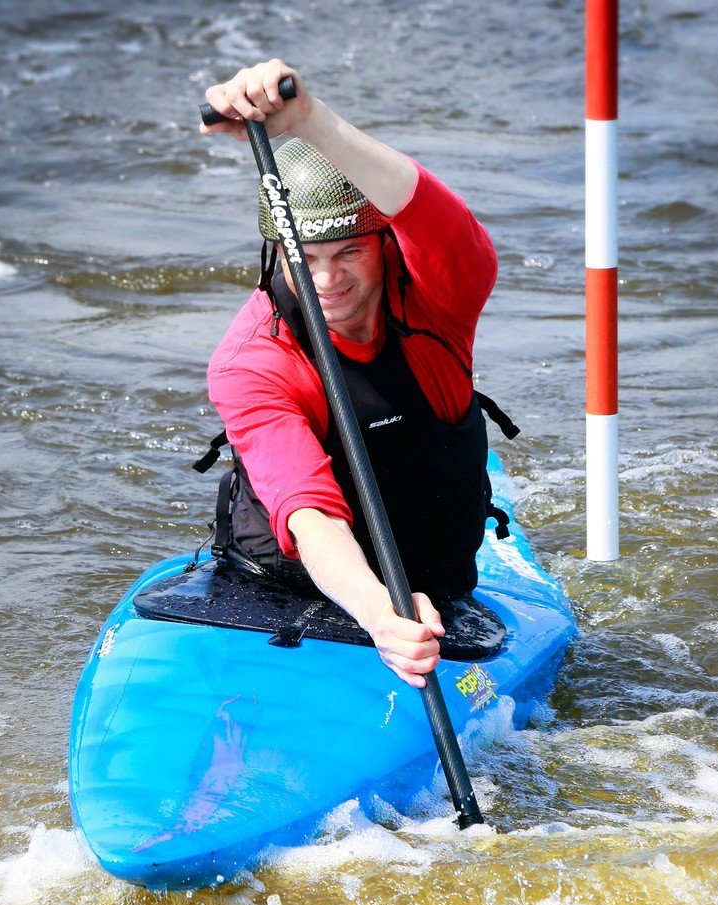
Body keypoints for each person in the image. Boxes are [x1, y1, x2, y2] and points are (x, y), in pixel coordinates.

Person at [202, 59, 509, 688]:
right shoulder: (253, 361)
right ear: (277, 254)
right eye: (306, 258)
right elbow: (307, 509)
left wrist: (309, 121)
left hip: (436, 585)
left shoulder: (441, 299)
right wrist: (381, 616)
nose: (328, 281)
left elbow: (432, 211)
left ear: (386, 245)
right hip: (280, 584)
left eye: (349, 252)